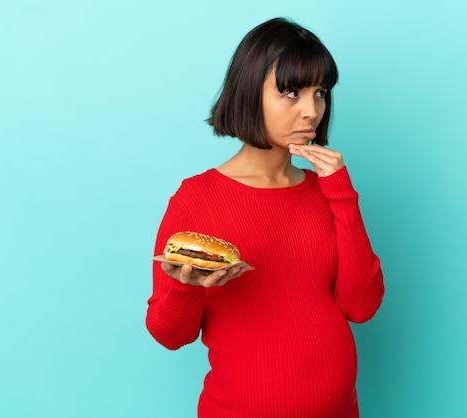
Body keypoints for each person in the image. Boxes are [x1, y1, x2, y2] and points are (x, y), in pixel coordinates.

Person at [146, 17, 385, 418]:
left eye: (321, 93)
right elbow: (170, 335)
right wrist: (186, 288)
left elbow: (361, 306)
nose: (312, 111)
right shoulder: (198, 198)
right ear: (249, 93)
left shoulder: (328, 192)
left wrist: (342, 194)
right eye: (292, 92)